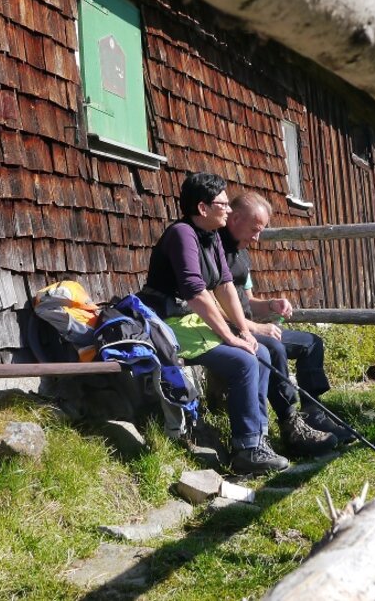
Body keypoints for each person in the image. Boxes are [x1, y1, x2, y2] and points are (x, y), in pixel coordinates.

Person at [138, 173, 289, 475]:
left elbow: (225, 286)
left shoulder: (212, 236)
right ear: (202, 208)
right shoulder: (182, 234)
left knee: (259, 351)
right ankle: (246, 450)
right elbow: (196, 293)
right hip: (166, 320)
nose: (229, 209)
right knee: (244, 360)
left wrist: (244, 331)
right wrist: (231, 339)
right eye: (223, 204)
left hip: (190, 318)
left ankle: (257, 439)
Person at [220, 192, 354, 452]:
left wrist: (271, 305)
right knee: (274, 347)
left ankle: (313, 413)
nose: (257, 237)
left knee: (311, 343)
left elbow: (248, 301)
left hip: (248, 325)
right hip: (230, 330)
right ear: (234, 219)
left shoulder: (242, 253)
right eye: (254, 229)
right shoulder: (216, 251)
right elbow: (212, 307)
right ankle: (289, 423)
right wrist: (255, 327)